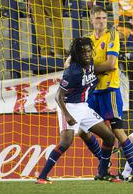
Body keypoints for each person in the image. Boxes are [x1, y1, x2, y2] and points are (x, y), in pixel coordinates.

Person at [36, 37, 123, 184]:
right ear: (78, 54)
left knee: (109, 137)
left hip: (83, 107)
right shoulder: (73, 72)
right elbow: (58, 96)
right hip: (69, 107)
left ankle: (103, 172)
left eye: (89, 51)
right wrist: (67, 115)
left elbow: (98, 70)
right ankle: (42, 176)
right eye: (83, 52)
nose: (87, 54)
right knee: (65, 143)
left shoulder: (90, 64)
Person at [85, 5, 133, 180]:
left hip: (109, 89)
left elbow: (111, 64)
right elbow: (74, 62)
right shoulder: (87, 40)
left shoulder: (112, 35)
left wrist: (88, 69)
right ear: (91, 20)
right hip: (93, 91)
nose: (102, 21)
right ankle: (104, 167)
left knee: (117, 131)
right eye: (98, 18)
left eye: (104, 18)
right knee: (82, 129)